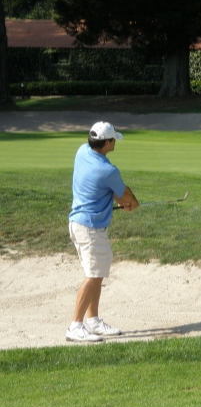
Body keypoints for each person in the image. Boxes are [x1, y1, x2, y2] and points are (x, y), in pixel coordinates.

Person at [66, 121, 140, 342]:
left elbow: (113, 192)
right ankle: (75, 326)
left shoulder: (82, 151)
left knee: (97, 275)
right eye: (113, 140)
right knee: (92, 277)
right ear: (107, 143)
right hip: (89, 228)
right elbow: (124, 193)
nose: (115, 142)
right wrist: (133, 203)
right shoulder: (108, 169)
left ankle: (93, 321)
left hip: (82, 224)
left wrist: (121, 200)